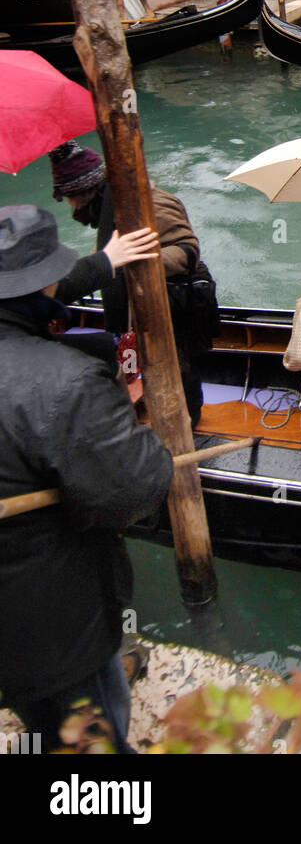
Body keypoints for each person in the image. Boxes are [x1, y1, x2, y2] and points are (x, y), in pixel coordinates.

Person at [0, 204, 173, 753]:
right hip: (52, 618)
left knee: (41, 713)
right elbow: (135, 488)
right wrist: (130, 421)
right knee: (89, 742)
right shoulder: (68, 385)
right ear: (46, 280)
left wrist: (104, 262)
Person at [49, 140, 211, 427]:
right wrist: (99, 267)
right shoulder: (109, 211)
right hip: (137, 301)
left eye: (70, 198)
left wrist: (140, 265)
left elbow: (188, 250)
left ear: (85, 193)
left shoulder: (154, 205)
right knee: (146, 359)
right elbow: (110, 251)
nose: (71, 207)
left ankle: (191, 417)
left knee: (179, 361)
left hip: (174, 298)